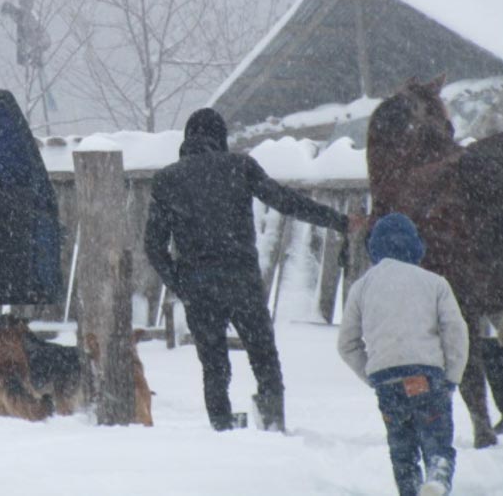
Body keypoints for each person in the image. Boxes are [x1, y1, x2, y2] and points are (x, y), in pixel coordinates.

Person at [144, 107, 352, 432]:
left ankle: (222, 427)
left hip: (198, 286)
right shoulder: (239, 167)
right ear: (220, 138)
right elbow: (285, 201)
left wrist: (181, 284)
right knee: (264, 358)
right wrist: (340, 221)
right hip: (242, 280)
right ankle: (271, 423)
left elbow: (154, 247)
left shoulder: (167, 179)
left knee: (214, 367)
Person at [338, 213, 468, 496]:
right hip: (426, 375)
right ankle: (437, 475)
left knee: (402, 447)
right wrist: (451, 377)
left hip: (387, 380)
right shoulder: (434, 283)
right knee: (436, 436)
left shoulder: (361, 287)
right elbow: (456, 333)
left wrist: (373, 375)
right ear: (415, 246)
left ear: (374, 248)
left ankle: (409, 488)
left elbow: (347, 344)